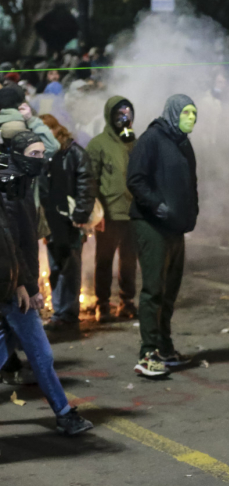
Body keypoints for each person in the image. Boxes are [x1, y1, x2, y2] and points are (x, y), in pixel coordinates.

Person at [0, 131, 94, 436]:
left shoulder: (22, 184)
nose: (41, 159)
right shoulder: (8, 190)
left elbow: (25, 243)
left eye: (43, 154)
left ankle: (64, 414)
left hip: (16, 280)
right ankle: (65, 413)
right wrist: (24, 286)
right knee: (41, 353)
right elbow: (8, 246)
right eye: (35, 154)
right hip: (12, 282)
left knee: (6, 342)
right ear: (18, 154)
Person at [127, 95, 199, 377]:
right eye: (187, 112)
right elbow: (135, 179)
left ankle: (165, 348)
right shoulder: (152, 139)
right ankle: (147, 353)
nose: (192, 117)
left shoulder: (183, 143)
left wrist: (190, 212)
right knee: (154, 289)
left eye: (194, 113)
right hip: (151, 224)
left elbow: (191, 182)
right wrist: (157, 205)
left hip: (175, 227)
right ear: (173, 113)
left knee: (170, 290)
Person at [39, 114, 96, 330]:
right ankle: (59, 311)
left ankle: (68, 314)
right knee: (55, 266)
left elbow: (86, 185)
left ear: (55, 130)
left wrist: (80, 215)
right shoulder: (45, 154)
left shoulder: (75, 153)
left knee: (69, 265)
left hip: (70, 220)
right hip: (52, 220)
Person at [87, 96, 138, 322]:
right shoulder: (97, 144)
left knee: (129, 260)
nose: (123, 117)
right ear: (109, 115)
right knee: (104, 260)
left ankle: (126, 301)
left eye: (127, 113)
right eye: (119, 113)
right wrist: (96, 212)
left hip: (132, 212)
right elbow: (90, 180)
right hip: (108, 213)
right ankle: (103, 303)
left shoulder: (134, 143)